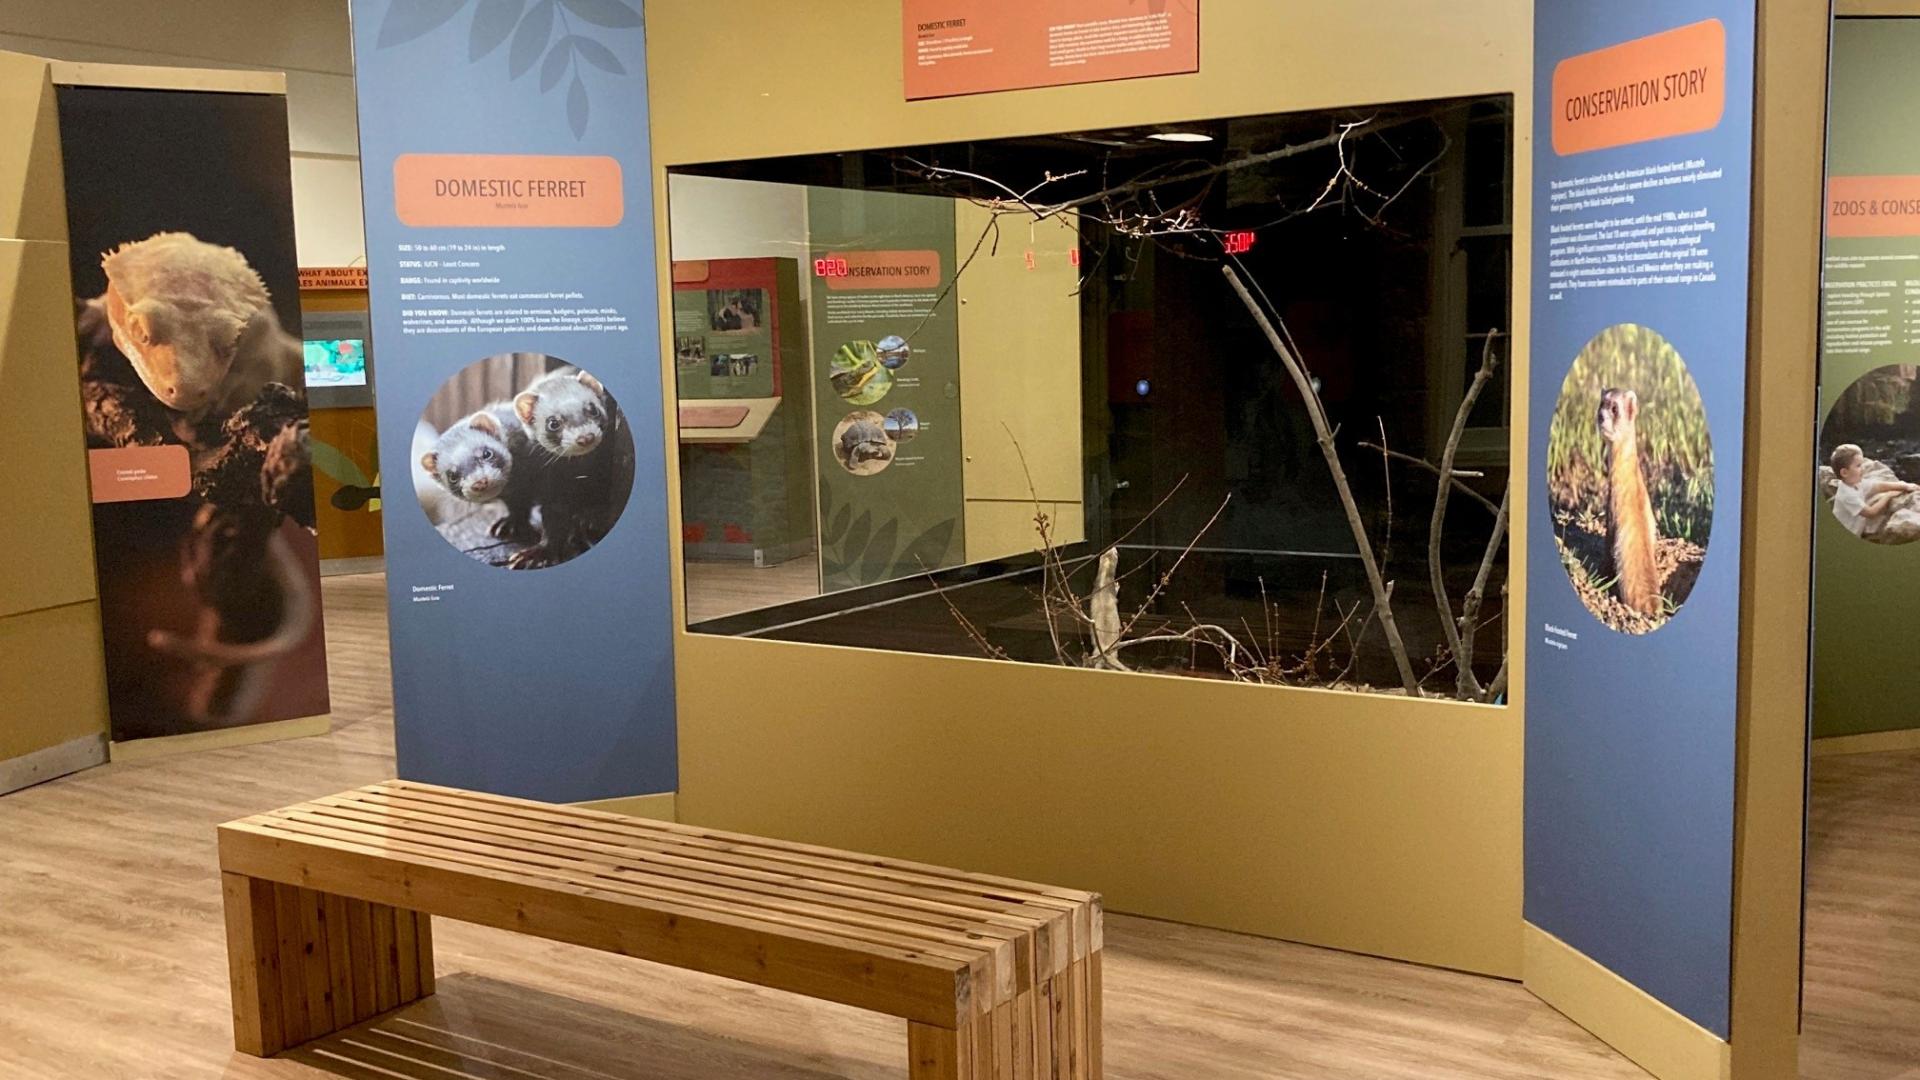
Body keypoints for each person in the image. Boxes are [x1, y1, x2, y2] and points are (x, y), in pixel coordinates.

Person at [1829, 443, 1920, 537]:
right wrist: (1887, 496)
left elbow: (1879, 486)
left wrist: (1905, 486)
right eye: (1858, 465)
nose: (1863, 468)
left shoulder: (1856, 483)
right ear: (1844, 473)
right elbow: (1871, 512)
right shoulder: (1847, 494)